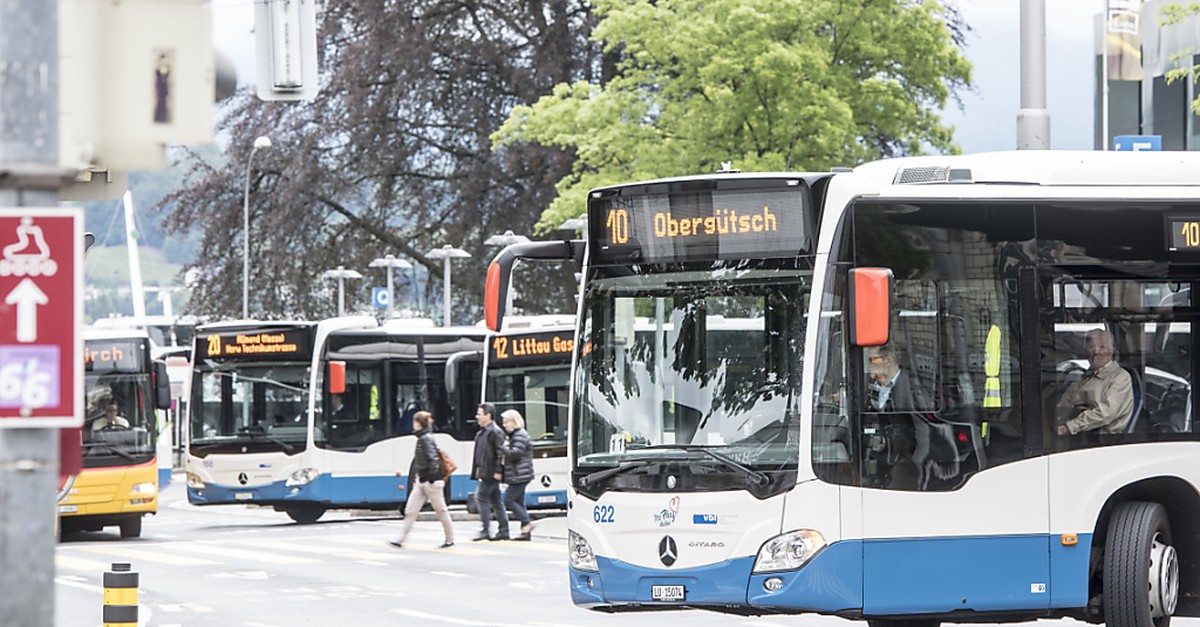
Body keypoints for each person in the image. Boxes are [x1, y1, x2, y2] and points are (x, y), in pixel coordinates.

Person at [389, 411, 454, 549]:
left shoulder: (426, 438)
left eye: (414, 422)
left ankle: (449, 539)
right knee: (410, 510)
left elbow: (433, 459)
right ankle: (400, 539)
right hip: (421, 482)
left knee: (441, 510)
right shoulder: (423, 438)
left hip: (431, 482)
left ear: (418, 423)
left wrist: (430, 477)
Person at [1056, 329, 1134, 436]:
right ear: (1085, 351)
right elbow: (1064, 405)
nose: (1096, 352)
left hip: (1101, 440)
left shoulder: (1121, 378)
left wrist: (1070, 427)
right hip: (1076, 435)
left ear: (1111, 350)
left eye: (1102, 347)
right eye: (1091, 347)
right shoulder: (1083, 377)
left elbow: (1106, 413)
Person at [471, 402, 510, 541]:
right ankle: (504, 530)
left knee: (480, 497)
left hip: (491, 472)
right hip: (485, 471)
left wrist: (498, 471)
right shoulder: (483, 431)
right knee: (496, 500)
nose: (477, 417)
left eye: (480, 414)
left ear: (488, 415)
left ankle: (486, 529)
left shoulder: (495, 431)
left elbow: (501, 453)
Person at [499, 409, 536, 541]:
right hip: (520, 474)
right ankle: (525, 533)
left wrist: (503, 446)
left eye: (506, 422)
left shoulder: (519, 435)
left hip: (519, 474)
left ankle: (527, 522)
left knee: (508, 500)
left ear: (514, 422)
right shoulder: (517, 435)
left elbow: (515, 454)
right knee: (519, 502)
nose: (504, 425)